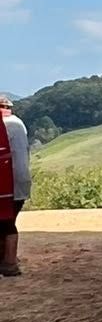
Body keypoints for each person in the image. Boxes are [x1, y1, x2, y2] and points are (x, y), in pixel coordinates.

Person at [0, 96, 30, 277]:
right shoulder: (18, 123)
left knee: (5, 223)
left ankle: (9, 262)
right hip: (19, 179)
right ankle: (7, 260)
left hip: (9, 180)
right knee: (6, 221)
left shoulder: (6, 125)